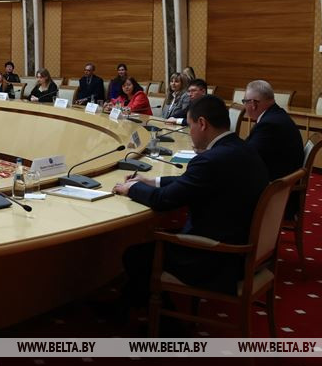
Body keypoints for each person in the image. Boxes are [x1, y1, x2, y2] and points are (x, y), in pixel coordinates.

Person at [113, 95, 269, 305]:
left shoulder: (210, 160)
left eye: (190, 125)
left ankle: (162, 318)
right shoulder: (242, 148)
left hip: (217, 256)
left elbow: (162, 201)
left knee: (135, 255)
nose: (189, 132)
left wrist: (131, 188)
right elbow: (193, 182)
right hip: (244, 248)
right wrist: (151, 181)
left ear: (202, 123)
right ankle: (135, 305)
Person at [243, 80, 304, 215]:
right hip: (279, 186)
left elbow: (248, 156)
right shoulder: (275, 115)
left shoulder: (269, 125)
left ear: (253, 104)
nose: (244, 106)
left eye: (244, 102)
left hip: (277, 195)